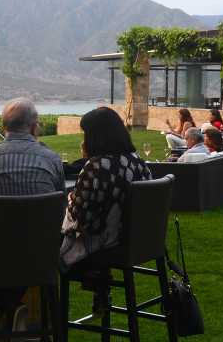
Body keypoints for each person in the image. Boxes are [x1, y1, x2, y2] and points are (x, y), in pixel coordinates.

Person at [0, 98, 65, 324]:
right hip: (41, 257)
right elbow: (60, 214)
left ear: (3, 126)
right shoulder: (52, 159)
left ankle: (0, 306)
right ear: (34, 125)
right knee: (21, 253)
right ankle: (11, 307)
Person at [61, 107, 151, 316]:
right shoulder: (138, 162)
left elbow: (83, 219)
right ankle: (99, 282)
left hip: (108, 246)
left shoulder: (96, 166)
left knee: (50, 248)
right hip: (137, 242)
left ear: (95, 137)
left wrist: (71, 199)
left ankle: (40, 320)